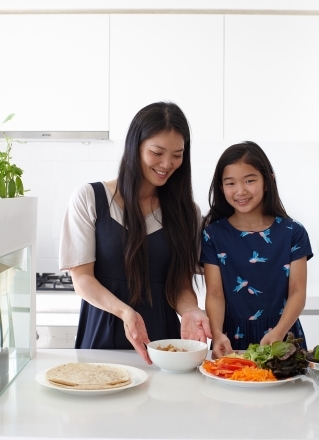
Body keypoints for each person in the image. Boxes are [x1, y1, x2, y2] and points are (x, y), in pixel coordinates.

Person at [59, 101, 211, 364]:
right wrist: (125, 312)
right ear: (135, 146)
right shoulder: (90, 198)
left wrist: (191, 310)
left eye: (177, 154)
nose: (167, 163)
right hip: (102, 333)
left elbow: (181, 285)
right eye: (157, 152)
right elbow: (82, 279)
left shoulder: (188, 213)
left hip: (162, 343)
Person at [200, 141, 313, 357]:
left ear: (268, 181)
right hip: (230, 339)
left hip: (282, 336)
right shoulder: (212, 234)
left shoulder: (293, 232)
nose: (240, 191)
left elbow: (297, 291)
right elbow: (214, 293)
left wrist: (279, 332)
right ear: (221, 187)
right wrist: (216, 334)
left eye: (250, 180)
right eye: (230, 183)